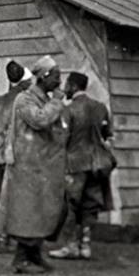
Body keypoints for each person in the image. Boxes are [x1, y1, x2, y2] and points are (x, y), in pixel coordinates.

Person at [2, 56, 67, 273]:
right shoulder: (25, 99)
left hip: (42, 166)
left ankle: (35, 254)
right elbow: (39, 120)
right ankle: (21, 258)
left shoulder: (45, 100)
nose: (59, 82)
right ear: (44, 77)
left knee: (43, 210)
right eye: (56, 77)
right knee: (28, 212)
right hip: (26, 167)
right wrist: (57, 102)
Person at [49, 72, 116, 260]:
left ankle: (70, 245)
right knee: (90, 206)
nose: (64, 88)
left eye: (67, 85)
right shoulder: (100, 108)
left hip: (75, 164)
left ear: (73, 86)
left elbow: (61, 139)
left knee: (71, 205)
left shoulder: (68, 110)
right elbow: (108, 135)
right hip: (97, 164)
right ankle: (85, 245)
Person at [0, 61, 32, 251]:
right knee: (12, 198)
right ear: (23, 82)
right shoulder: (24, 101)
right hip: (15, 156)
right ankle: (6, 239)